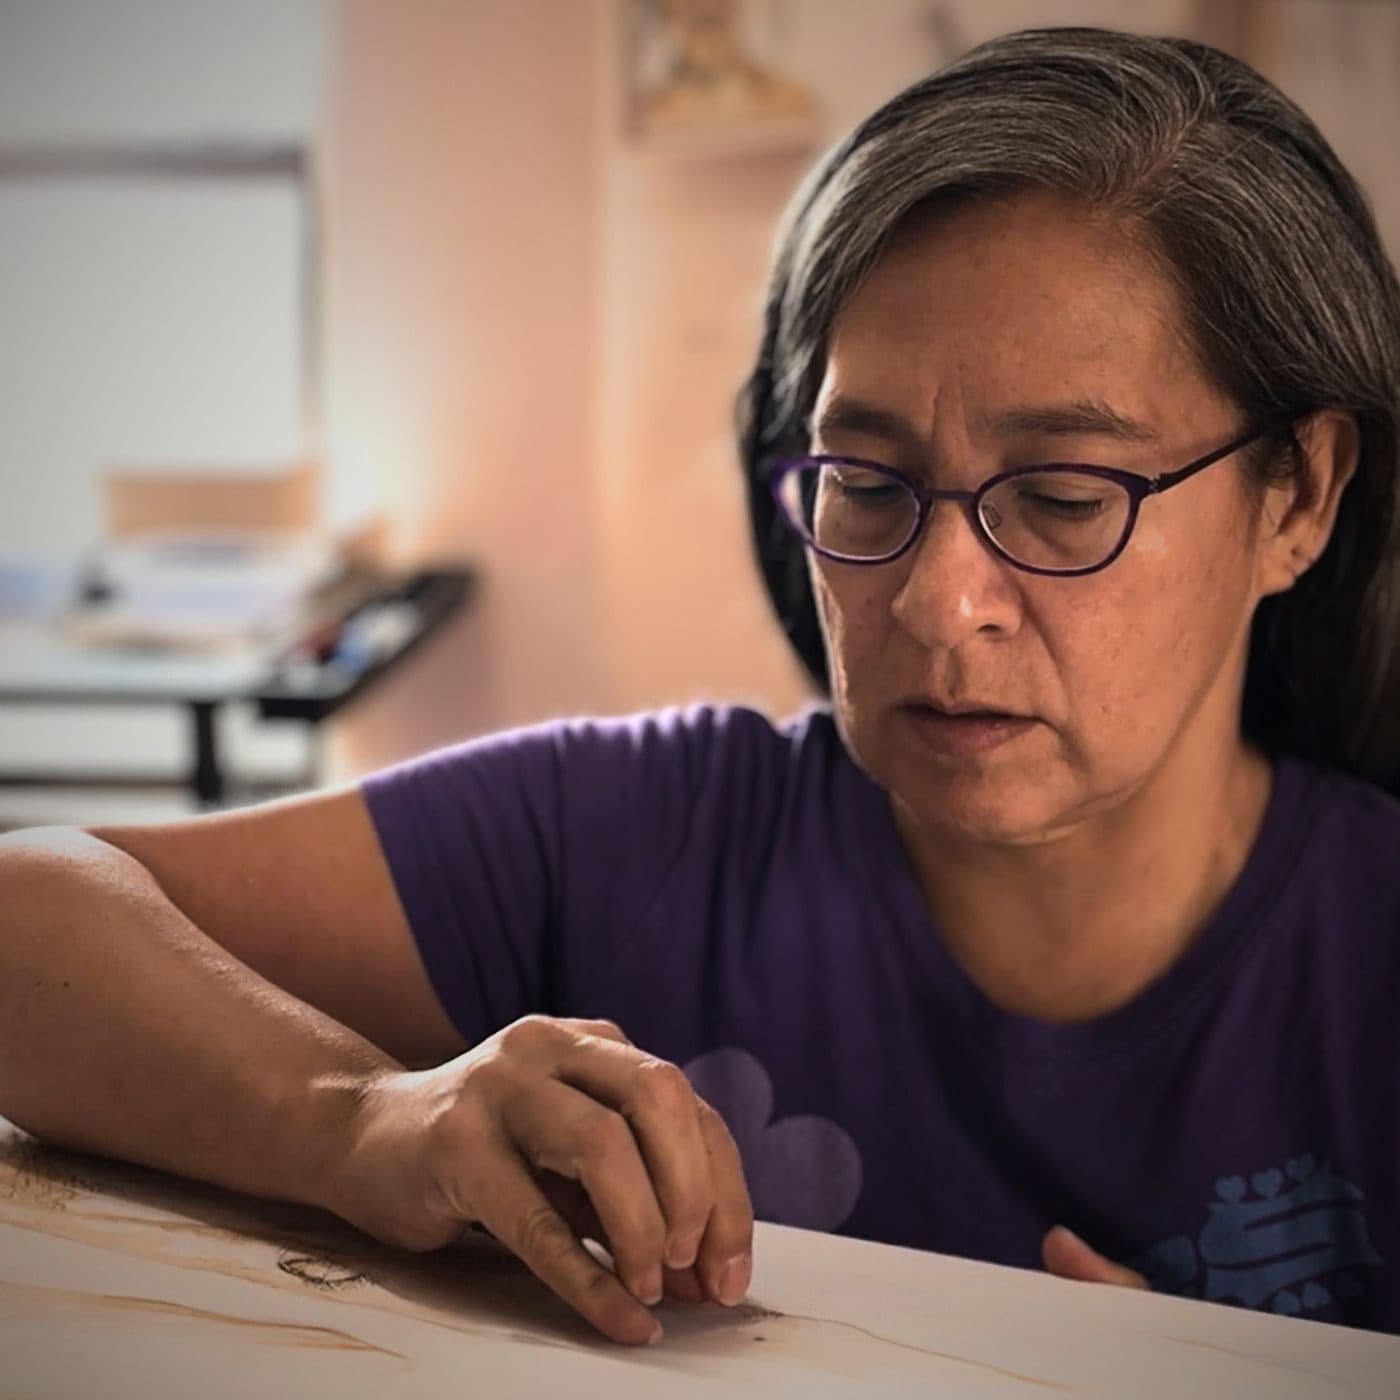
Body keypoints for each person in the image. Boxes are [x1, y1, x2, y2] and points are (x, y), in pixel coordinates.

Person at [2, 25, 1399, 1347]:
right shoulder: (646, 837)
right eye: (865, 483)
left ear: (1301, 497)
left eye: (1061, 497)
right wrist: (368, 1117)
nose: (936, 600)